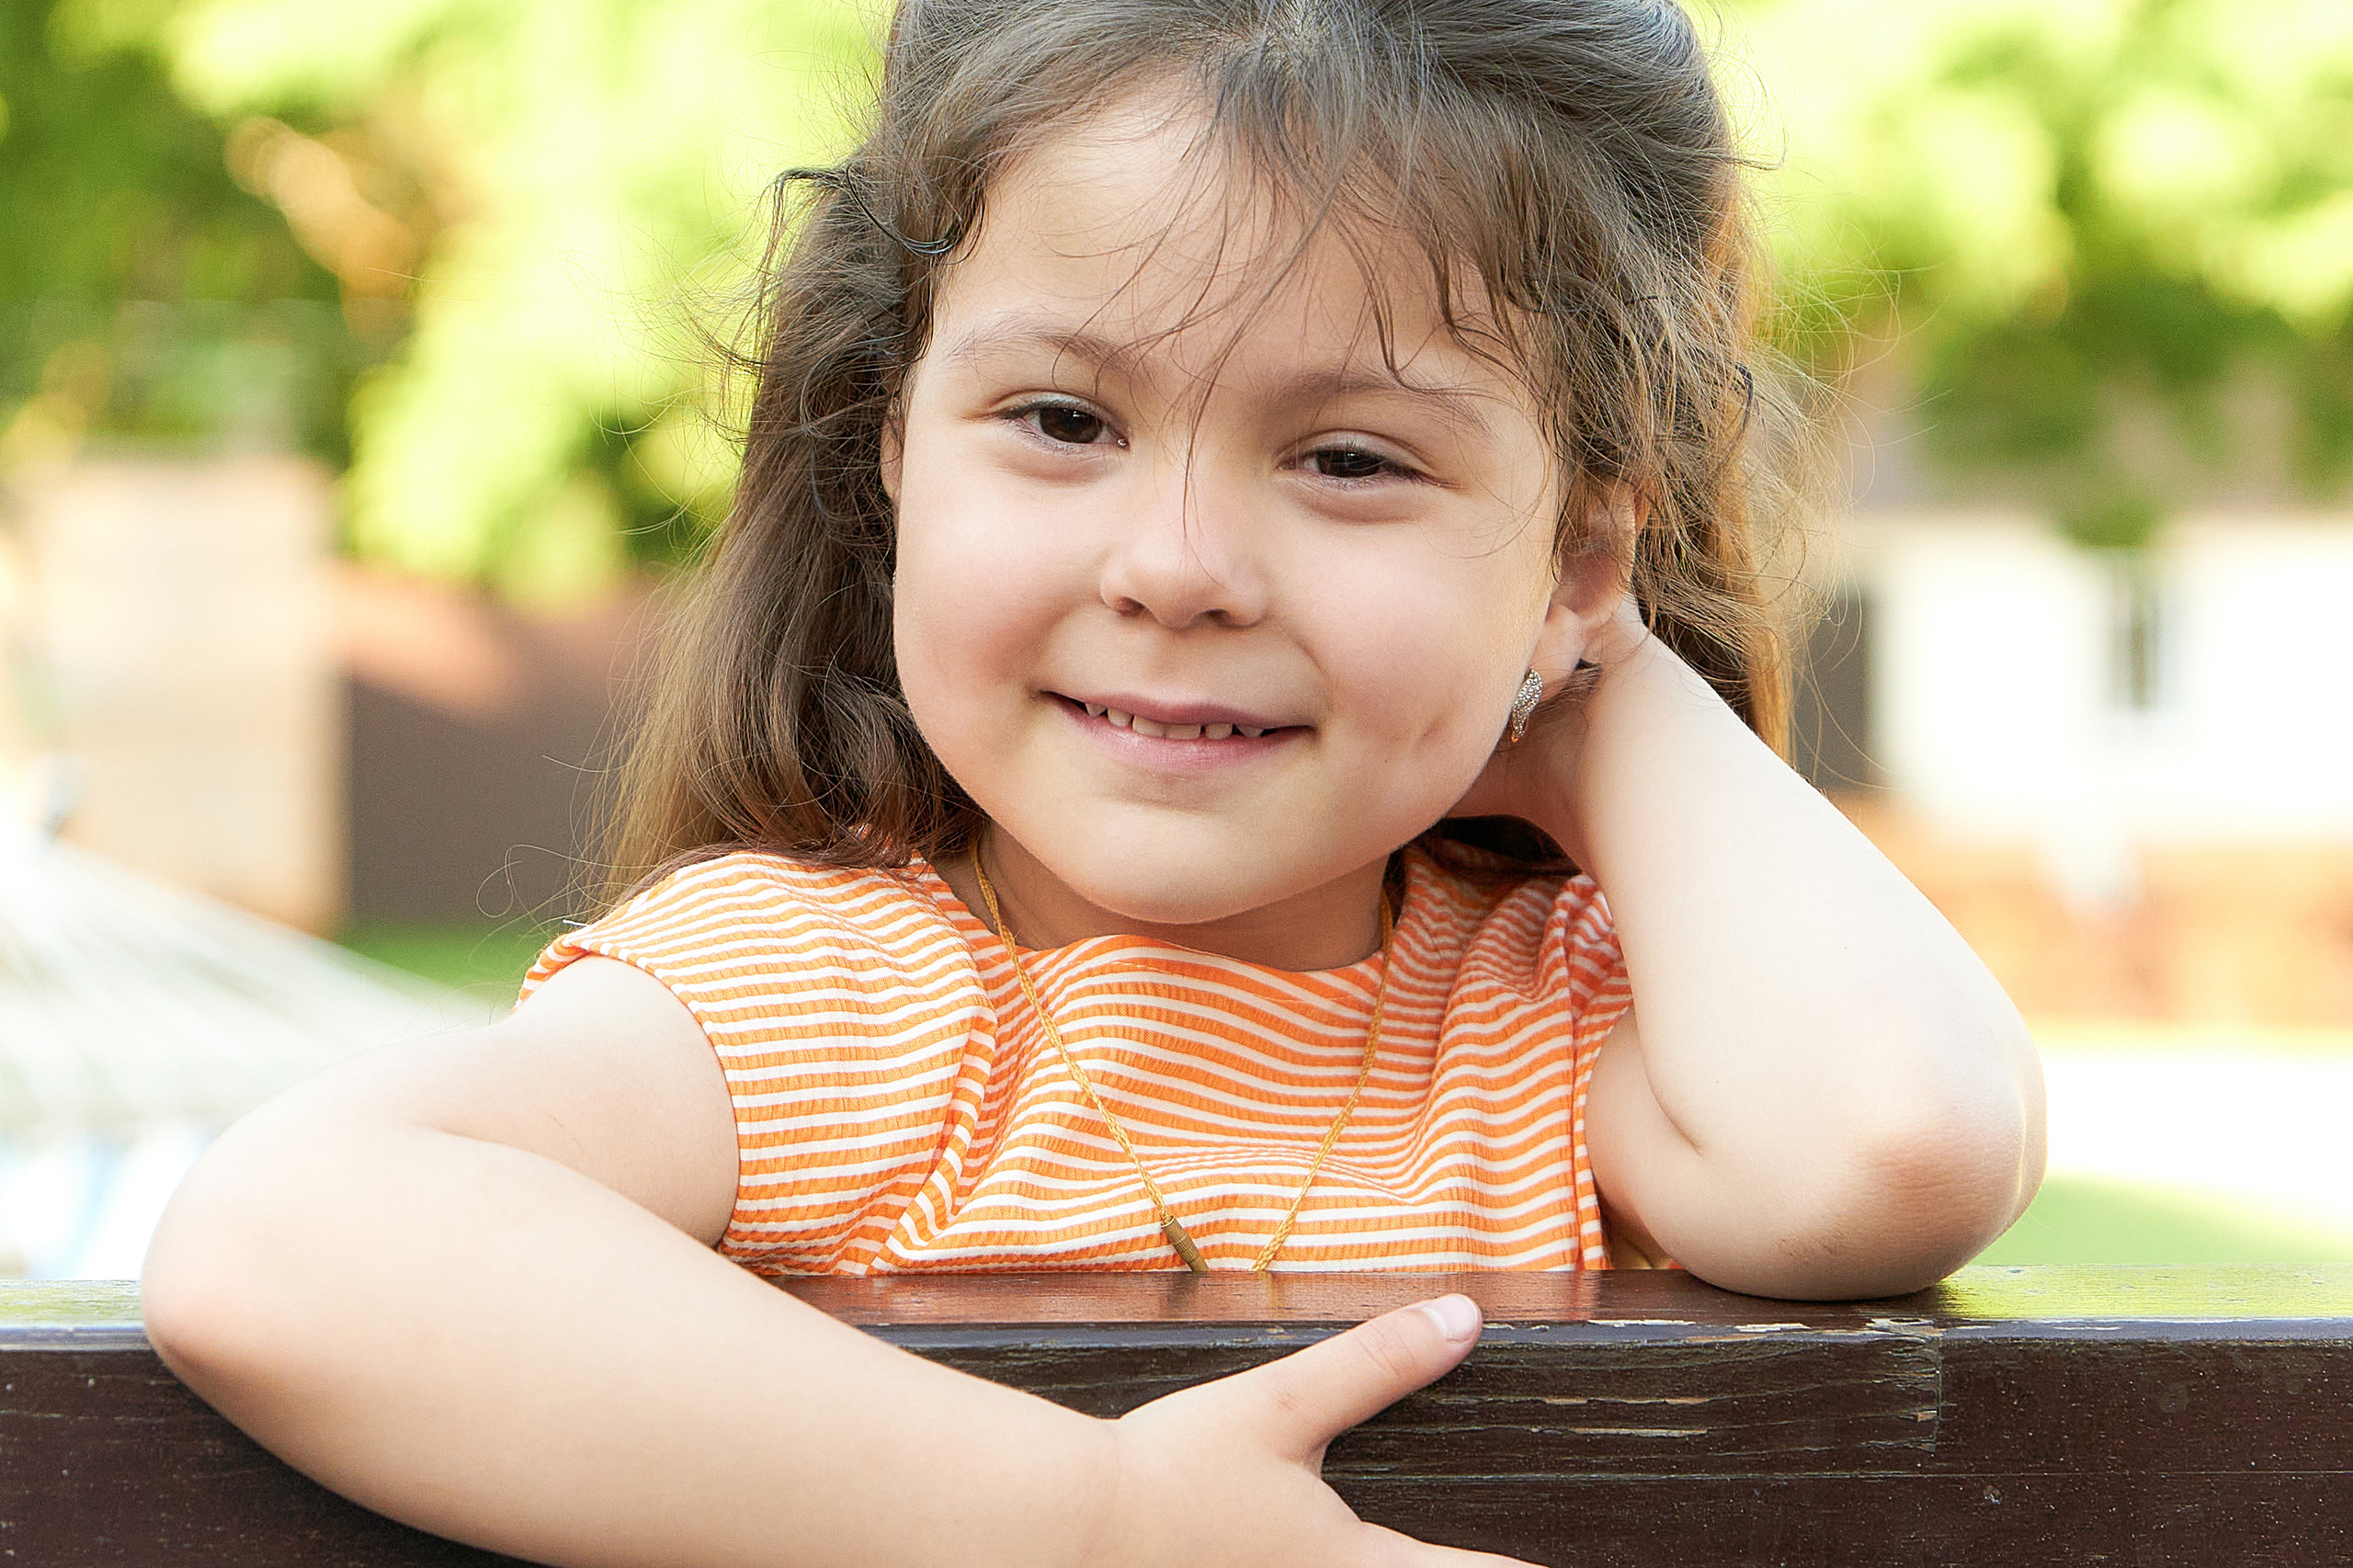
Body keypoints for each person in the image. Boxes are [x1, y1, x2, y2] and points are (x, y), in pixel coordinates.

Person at [142, 1, 2046, 1563]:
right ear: (894, 451)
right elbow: (284, 1240)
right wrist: (1100, 1521)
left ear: (1566, 553)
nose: (1178, 562)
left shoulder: (1552, 1022)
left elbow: (1897, 1144)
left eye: (1356, 461)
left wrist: (1592, 675)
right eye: (1062, 421)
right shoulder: (823, 1001)